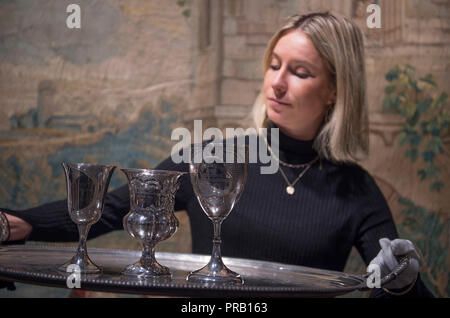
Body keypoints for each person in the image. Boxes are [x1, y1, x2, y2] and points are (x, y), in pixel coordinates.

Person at [0, 12, 433, 297]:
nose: (277, 83)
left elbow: (392, 282)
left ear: (336, 90)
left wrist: (403, 279)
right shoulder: (213, 157)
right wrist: (12, 224)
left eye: (300, 72)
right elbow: (109, 211)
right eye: (274, 64)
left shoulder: (355, 188)